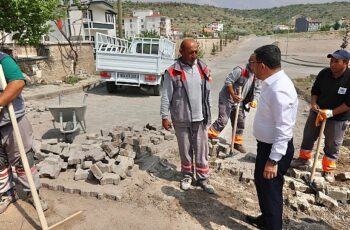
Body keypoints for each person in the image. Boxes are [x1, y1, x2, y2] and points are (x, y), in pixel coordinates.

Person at [246, 45, 298, 230]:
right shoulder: (272, 82)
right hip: (266, 146)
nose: (252, 67)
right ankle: (266, 220)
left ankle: (273, 225)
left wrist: (273, 160)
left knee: (271, 192)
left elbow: (284, 129)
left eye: (254, 63)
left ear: (263, 65)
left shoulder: (279, 89)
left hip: (275, 150)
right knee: (262, 184)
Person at [160, 39, 215, 194]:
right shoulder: (172, 72)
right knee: (185, 149)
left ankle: (203, 178)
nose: (194, 55)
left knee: (202, 149)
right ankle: (187, 175)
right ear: (181, 52)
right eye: (191, 52)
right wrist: (165, 116)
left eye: (196, 51)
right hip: (181, 117)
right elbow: (166, 96)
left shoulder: (203, 68)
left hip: (200, 117)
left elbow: (208, 92)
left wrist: (209, 112)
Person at [291, 49, 350, 182]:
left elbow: (348, 103)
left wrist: (331, 113)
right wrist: (313, 103)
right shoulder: (324, 73)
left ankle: (328, 170)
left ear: (345, 63)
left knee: (333, 144)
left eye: (336, 61)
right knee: (308, 136)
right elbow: (315, 90)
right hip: (317, 113)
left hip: (337, 118)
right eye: (331, 61)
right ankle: (303, 160)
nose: (332, 64)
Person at [0, 51, 48, 214]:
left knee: (23, 160)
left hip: (12, 120)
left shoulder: (3, 60)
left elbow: (17, 83)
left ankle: (32, 193)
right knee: (0, 163)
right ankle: (6, 193)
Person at [208, 54, 261, 153]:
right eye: (258, 64)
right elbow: (228, 82)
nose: (259, 67)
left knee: (240, 122)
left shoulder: (256, 75)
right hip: (227, 98)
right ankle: (209, 136)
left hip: (239, 101)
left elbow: (257, 89)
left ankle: (237, 142)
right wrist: (233, 95)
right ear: (251, 63)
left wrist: (254, 100)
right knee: (223, 120)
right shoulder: (240, 70)